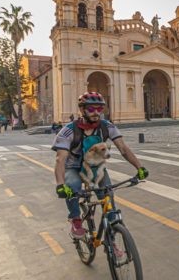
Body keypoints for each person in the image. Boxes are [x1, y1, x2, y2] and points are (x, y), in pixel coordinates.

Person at [53, 92, 149, 239]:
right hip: (74, 167)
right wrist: (60, 184)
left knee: (108, 196)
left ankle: (113, 239)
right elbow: (60, 159)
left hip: (95, 168)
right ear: (82, 110)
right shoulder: (69, 130)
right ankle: (76, 220)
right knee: (72, 186)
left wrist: (139, 167)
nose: (96, 112)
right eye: (91, 109)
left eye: (100, 109)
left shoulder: (106, 126)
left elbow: (123, 148)